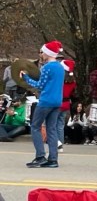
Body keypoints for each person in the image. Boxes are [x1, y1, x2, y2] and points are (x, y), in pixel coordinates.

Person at [23, 40, 65, 169]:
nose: (41, 54)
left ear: (47, 53)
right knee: (51, 129)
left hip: (46, 101)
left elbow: (40, 85)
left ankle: (40, 156)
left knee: (35, 127)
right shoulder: (60, 67)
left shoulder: (47, 67)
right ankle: (53, 159)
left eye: (42, 52)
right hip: (57, 101)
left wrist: (26, 78)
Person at [56, 59, 77, 151]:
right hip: (66, 104)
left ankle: (57, 143)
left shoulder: (59, 80)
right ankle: (61, 144)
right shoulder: (73, 82)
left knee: (52, 124)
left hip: (58, 103)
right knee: (60, 125)